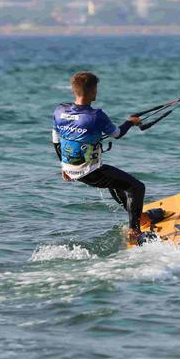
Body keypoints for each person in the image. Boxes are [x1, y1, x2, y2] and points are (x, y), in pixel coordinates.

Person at [52, 72, 148, 243]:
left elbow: (56, 139)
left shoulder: (60, 111)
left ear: (74, 90)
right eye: (96, 89)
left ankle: (137, 215)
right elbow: (117, 134)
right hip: (90, 171)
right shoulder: (96, 116)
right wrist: (130, 122)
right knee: (137, 187)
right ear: (92, 91)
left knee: (117, 184)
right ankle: (134, 230)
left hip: (71, 168)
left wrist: (64, 166)